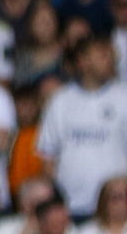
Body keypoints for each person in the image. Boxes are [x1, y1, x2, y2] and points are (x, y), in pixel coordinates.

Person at [37, 35, 127, 220]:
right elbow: (48, 157)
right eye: (102, 56)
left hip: (116, 208)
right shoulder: (60, 101)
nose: (110, 60)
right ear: (83, 61)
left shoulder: (124, 97)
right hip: (71, 207)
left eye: (110, 55)